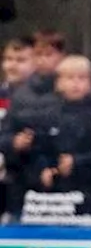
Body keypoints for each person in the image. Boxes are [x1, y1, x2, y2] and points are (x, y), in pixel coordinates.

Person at [0, 29, 65, 217]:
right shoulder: (14, 98)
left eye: (20, 60)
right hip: (15, 182)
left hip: (52, 183)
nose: (11, 66)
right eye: (8, 59)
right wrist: (13, 143)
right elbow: (5, 134)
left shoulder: (63, 92)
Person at [37, 55, 91, 216]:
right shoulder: (49, 115)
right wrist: (44, 168)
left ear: (90, 84)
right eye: (70, 78)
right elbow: (41, 147)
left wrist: (77, 161)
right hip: (54, 197)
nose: (76, 83)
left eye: (82, 78)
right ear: (59, 83)